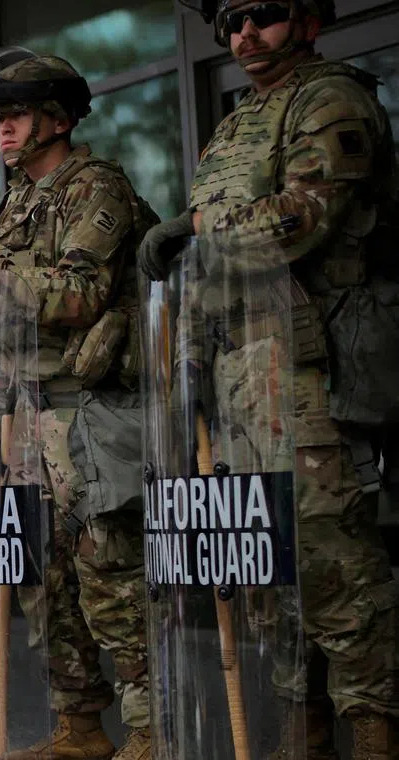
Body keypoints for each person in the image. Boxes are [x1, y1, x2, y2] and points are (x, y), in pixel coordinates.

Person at [140, 1, 398, 756]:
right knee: (268, 567)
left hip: (311, 364)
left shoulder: (330, 98)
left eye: (265, 14)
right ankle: (300, 735)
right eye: (231, 21)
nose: (244, 34)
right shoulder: (236, 124)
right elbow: (209, 262)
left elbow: (300, 219)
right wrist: (186, 352)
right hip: (239, 371)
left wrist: (196, 231)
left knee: (331, 561)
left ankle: (377, 734)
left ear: (309, 21)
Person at [0, 54, 157, 760]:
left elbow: (79, 293)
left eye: (15, 117)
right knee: (46, 585)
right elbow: (7, 336)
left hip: (89, 412)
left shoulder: (97, 187)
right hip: (28, 418)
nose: (1, 131)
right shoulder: (17, 201)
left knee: (110, 579)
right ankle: (79, 725)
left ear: (58, 118)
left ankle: (153, 728)